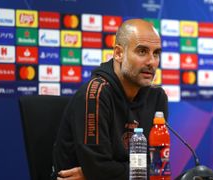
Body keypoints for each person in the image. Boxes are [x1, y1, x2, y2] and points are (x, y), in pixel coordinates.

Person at [52, 19, 168, 180]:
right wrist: (100, 173)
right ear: (119, 53)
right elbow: (99, 168)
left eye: (156, 53)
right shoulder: (95, 95)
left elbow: (158, 167)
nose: (151, 62)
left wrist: (97, 174)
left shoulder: (157, 98)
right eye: (142, 51)